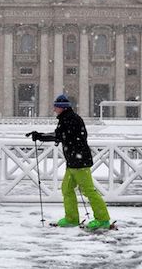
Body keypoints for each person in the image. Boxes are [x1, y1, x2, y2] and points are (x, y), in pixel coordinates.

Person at [29, 94, 111, 230]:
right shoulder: (66, 118)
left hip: (79, 162)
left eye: (56, 107)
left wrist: (40, 136)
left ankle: (103, 219)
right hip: (73, 161)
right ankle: (71, 218)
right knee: (66, 189)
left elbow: (59, 135)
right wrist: (41, 136)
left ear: (62, 108)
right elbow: (62, 135)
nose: (54, 109)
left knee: (89, 191)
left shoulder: (70, 119)